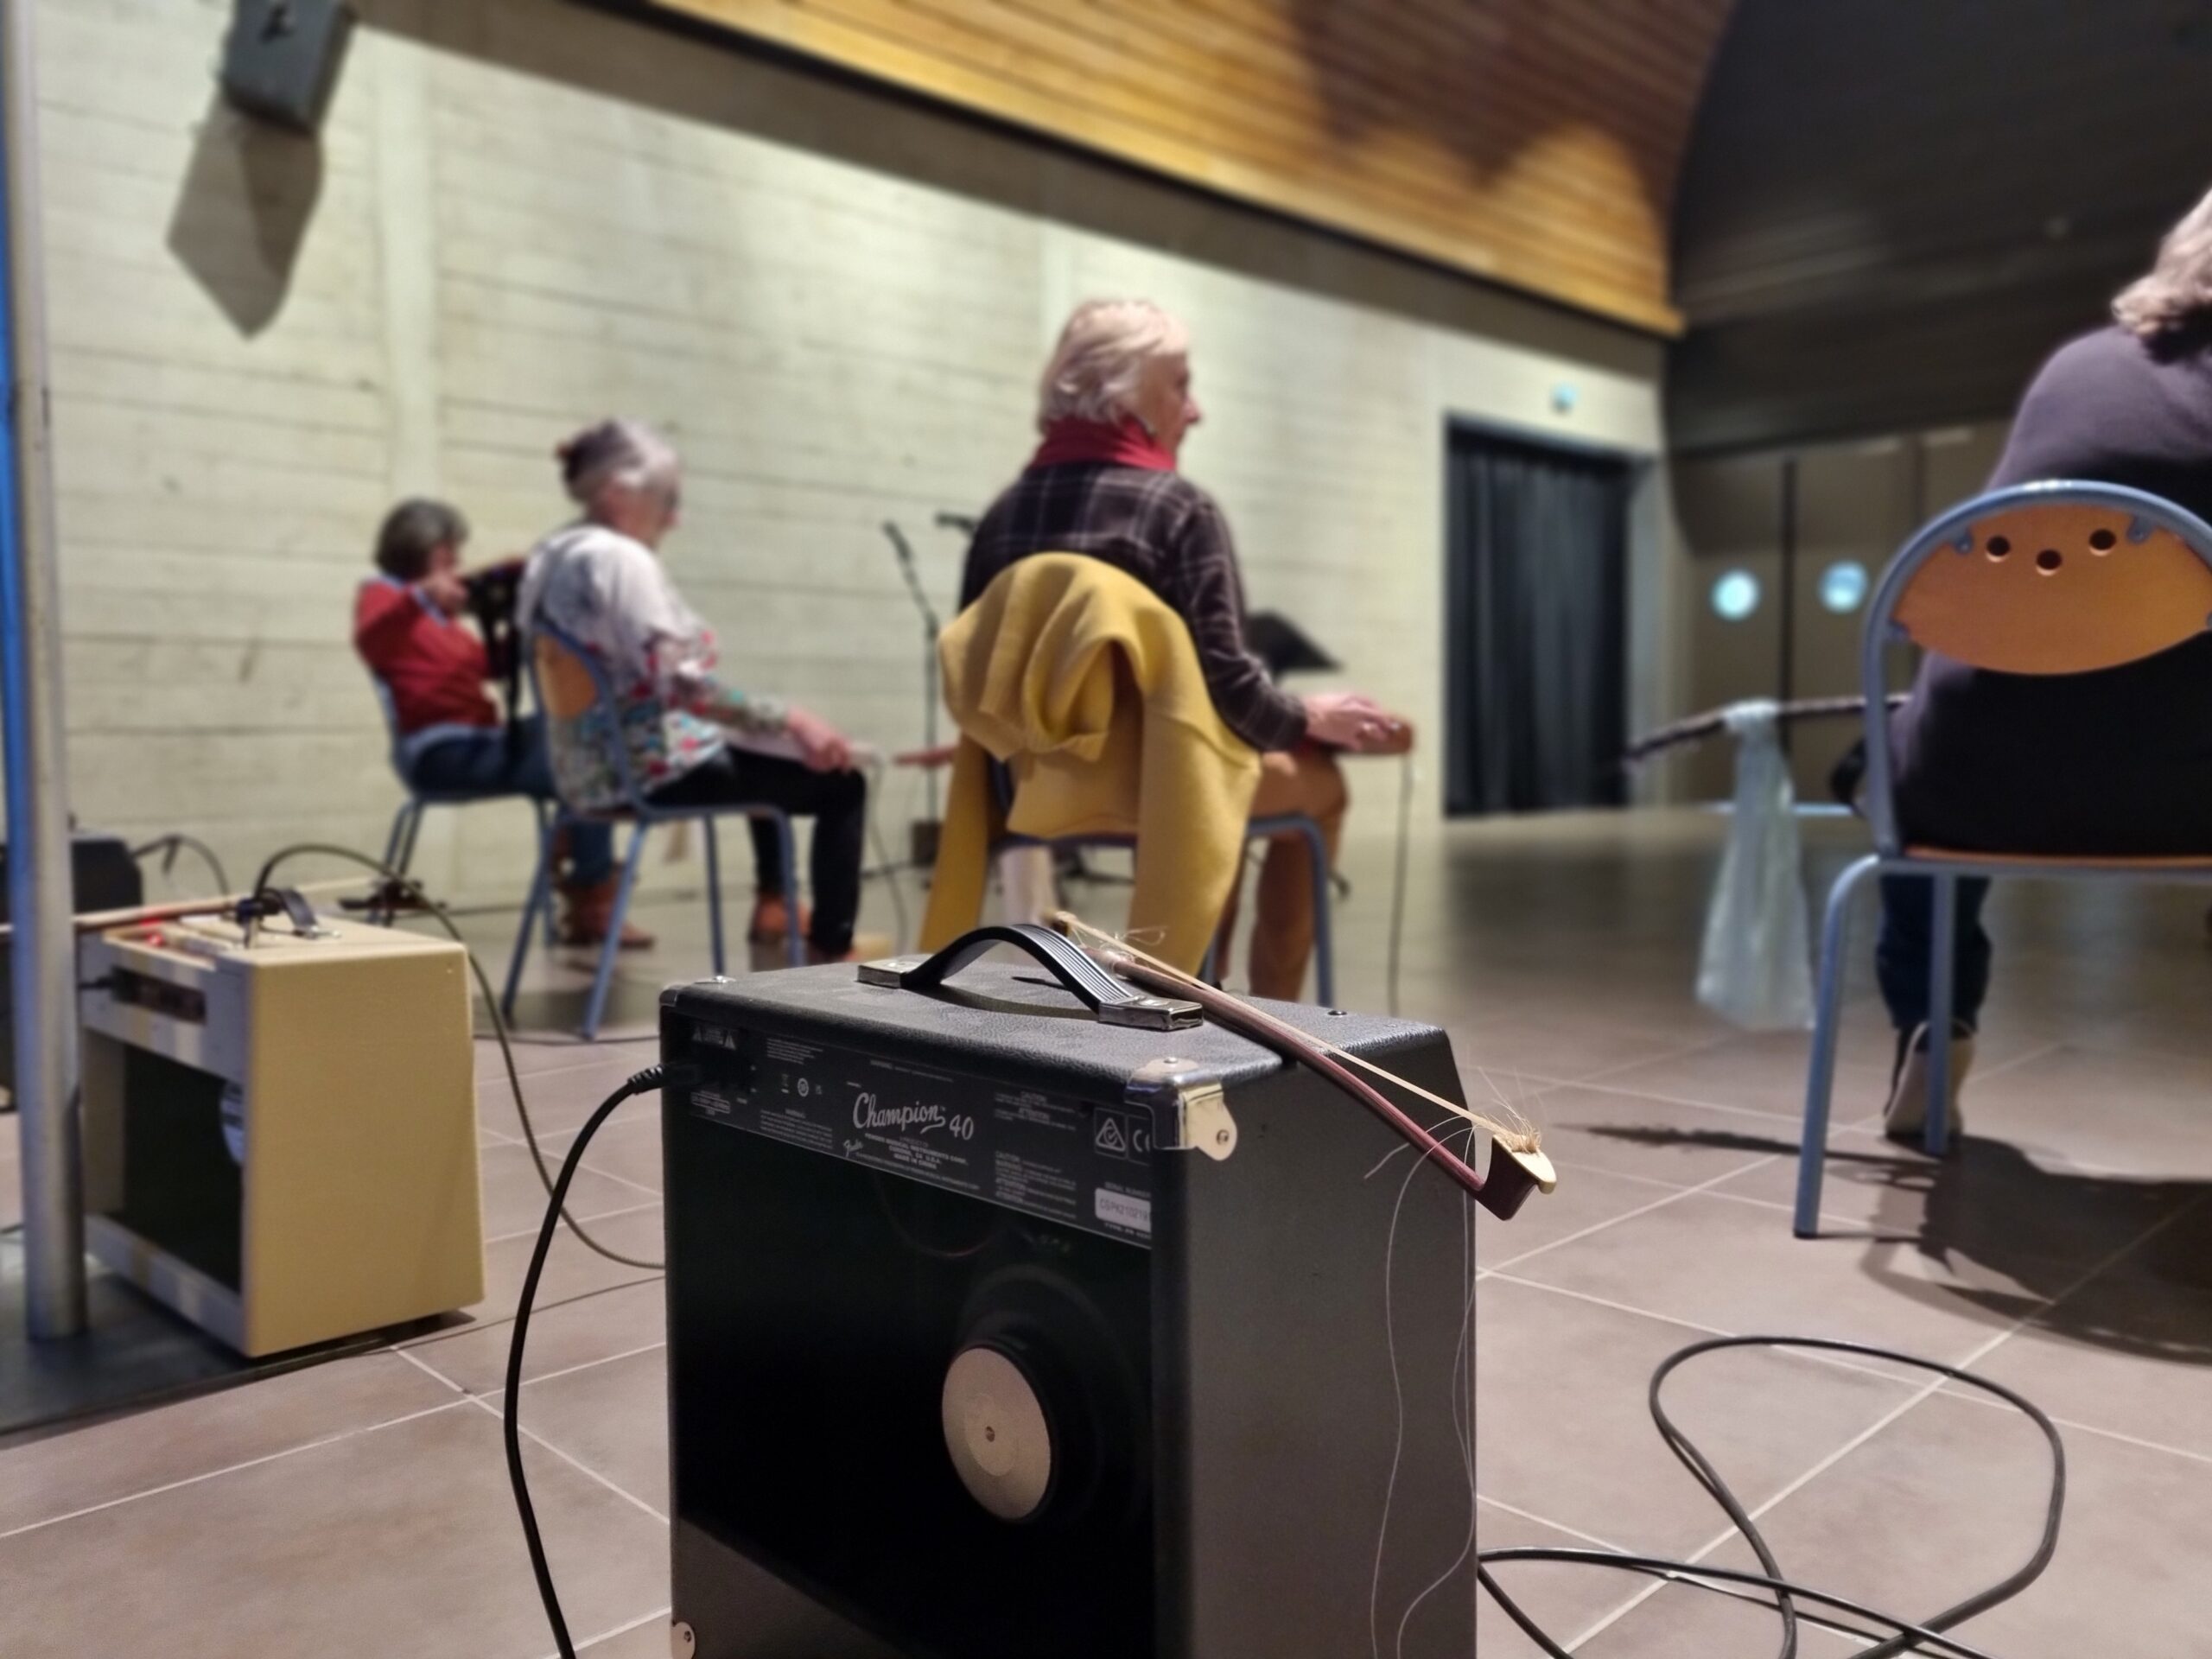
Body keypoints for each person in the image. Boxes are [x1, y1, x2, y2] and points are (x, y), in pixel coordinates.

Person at [1875, 183, 2212, 1141]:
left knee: (1901, 758)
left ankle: (1932, 1013)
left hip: (1978, 784)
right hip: (2193, 797)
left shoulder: (2080, 367)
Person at [960, 299, 1403, 999]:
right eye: (1180, 385)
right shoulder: (1178, 511)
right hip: (1160, 791)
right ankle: (1272, 1016)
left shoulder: (999, 520)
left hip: (1034, 790)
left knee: (1211, 775)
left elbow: (978, 671)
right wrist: (1308, 716)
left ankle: (1203, 985)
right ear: (1125, 396)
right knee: (1311, 789)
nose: (1193, 410)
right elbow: (1231, 691)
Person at [516, 418, 869, 962]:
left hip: (580, 773)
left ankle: (776, 902)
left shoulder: (550, 555)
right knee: (841, 782)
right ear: (618, 494)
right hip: (646, 771)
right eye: (668, 499)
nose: (675, 518)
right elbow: (685, 690)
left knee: (762, 753)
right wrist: (794, 718)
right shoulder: (620, 561)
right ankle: (831, 952)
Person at [353, 498, 652, 949]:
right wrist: (422, 595)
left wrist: (523, 619)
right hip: (440, 753)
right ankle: (592, 895)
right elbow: (373, 636)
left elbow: (488, 666)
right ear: (421, 548)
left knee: (587, 730)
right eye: (447, 554)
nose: (454, 565)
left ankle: (582, 863)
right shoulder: (383, 595)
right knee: (582, 761)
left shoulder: (446, 624)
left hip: (480, 742)